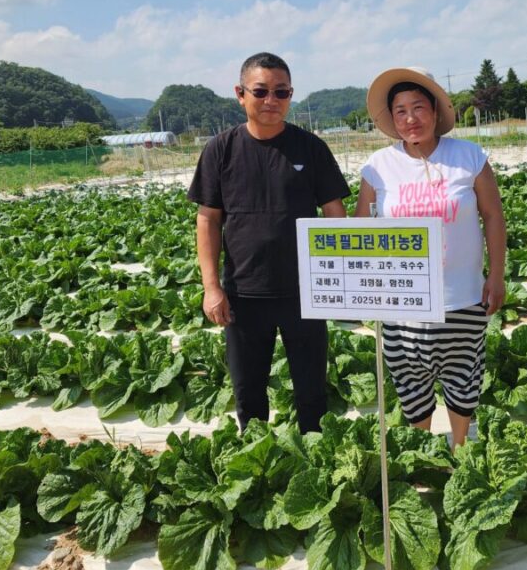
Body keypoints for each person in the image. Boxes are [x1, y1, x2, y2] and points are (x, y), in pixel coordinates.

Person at [188, 52, 350, 434]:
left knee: (312, 391)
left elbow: (334, 212)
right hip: (244, 293)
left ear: (291, 95)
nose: (271, 101)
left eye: (282, 92)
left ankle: (315, 459)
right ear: (240, 94)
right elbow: (208, 220)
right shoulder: (220, 150)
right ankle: (259, 465)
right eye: (260, 91)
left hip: (305, 294)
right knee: (248, 392)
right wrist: (211, 287)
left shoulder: (310, 148)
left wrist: (340, 277)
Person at [356, 66, 506, 447]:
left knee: (463, 378)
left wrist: (497, 275)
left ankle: (459, 447)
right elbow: (362, 233)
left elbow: (493, 216)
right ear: (391, 118)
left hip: (462, 297)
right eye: (400, 110)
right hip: (403, 303)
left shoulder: (468, 157)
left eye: (419, 107)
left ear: (436, 111)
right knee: (409, 382)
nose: (410, 118)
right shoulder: (377, 167)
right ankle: (422, 454)